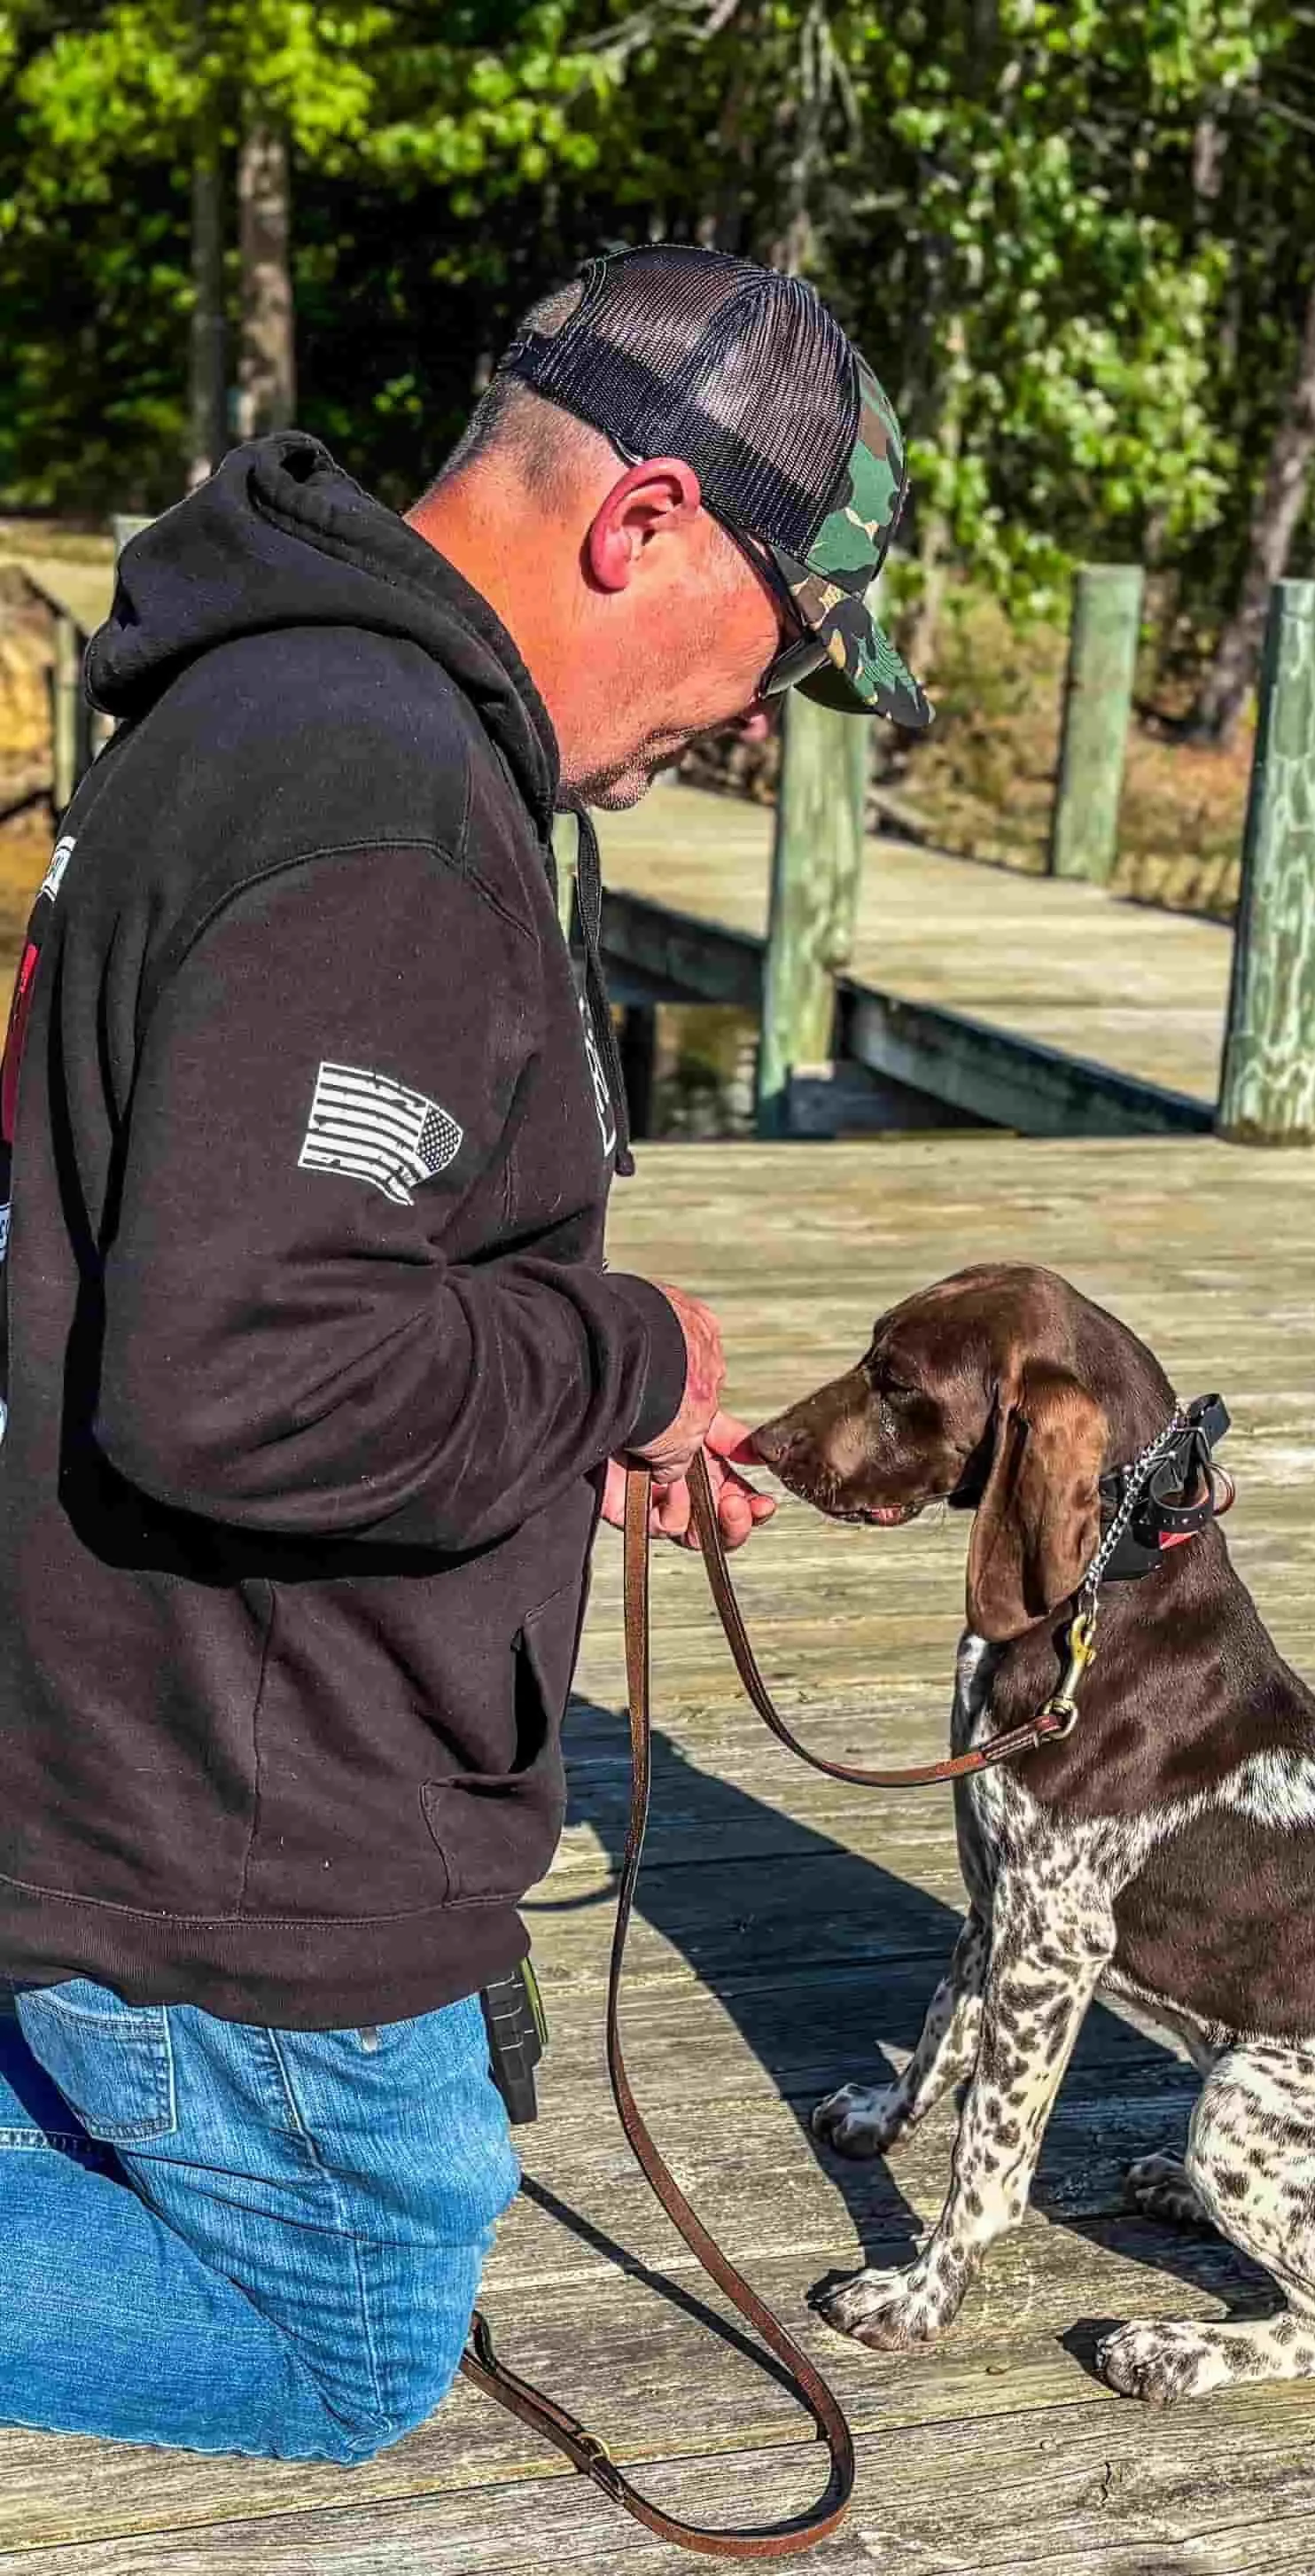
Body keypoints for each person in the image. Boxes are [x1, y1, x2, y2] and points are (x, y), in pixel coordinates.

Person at [0, 247, 930, 2464]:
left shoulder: (269, 708)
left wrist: (539, 1414)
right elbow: (241, 1370)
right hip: (247, 1847)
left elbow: (264, 1257)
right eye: (779, 652)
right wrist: (612, 1357)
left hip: (144, 1742)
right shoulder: (387, 810)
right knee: (350, 2344)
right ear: (650, 522)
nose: (743, 720)